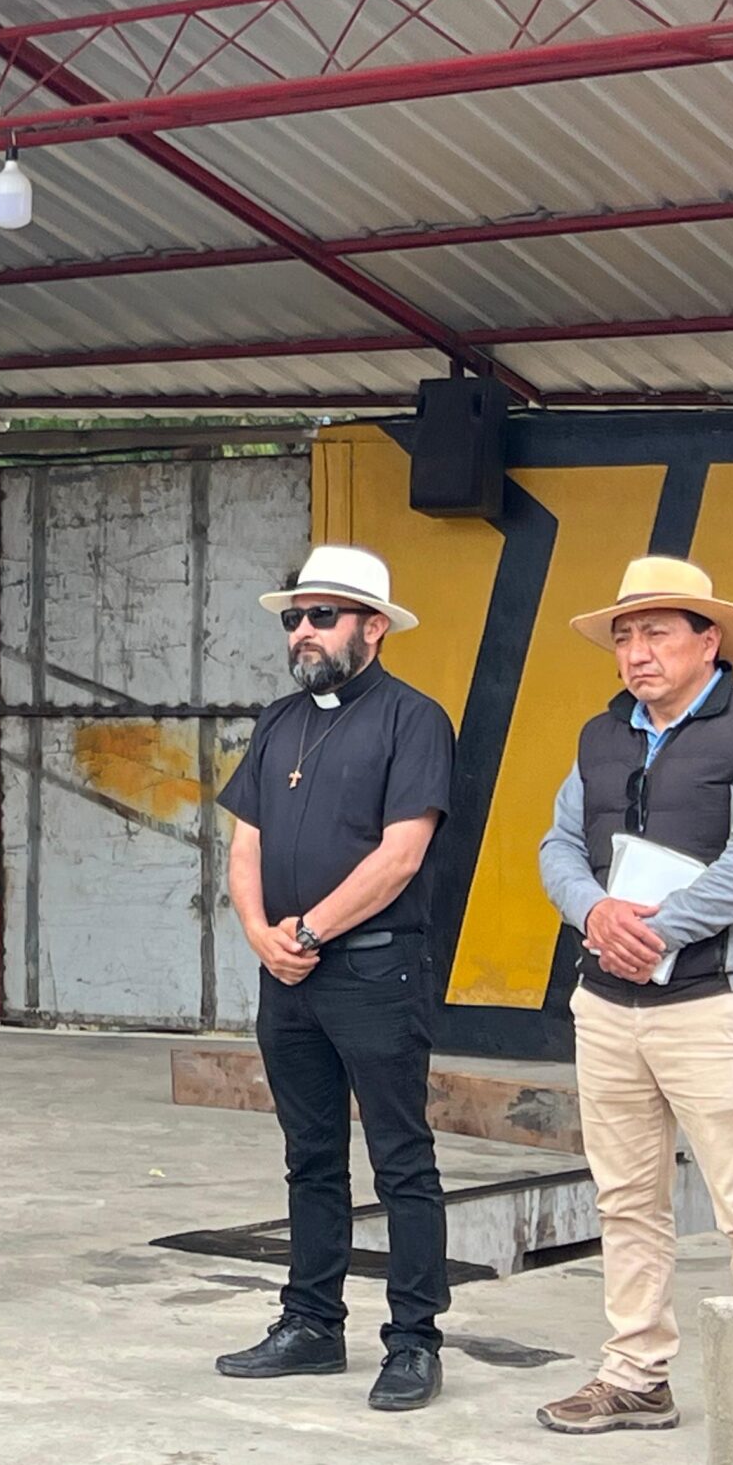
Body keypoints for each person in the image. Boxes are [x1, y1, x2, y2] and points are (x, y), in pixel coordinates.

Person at [534, 557, 733, 1435]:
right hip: (609, 1005)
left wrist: (658, 927)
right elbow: (556, 847)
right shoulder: (599, 736)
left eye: (657, 632)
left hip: (716, 1001)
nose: (636, 652)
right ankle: (634, 1374)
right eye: (623, 636)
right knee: (625, 1197)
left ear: (710, 641)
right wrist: (597, 911)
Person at [214, 545, 456, 1413]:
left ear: (374, 627)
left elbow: (401, 857)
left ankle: (415, 1342)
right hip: (288, 976)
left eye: (323, 616)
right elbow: (245, 841)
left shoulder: (413, 720)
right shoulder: (278, 720)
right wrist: (258, 934)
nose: (303, 632)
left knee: (402, 1161)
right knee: (309, 1158)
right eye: (294, 618)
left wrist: (309, 929)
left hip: (374, 968)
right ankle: (312, 1324)